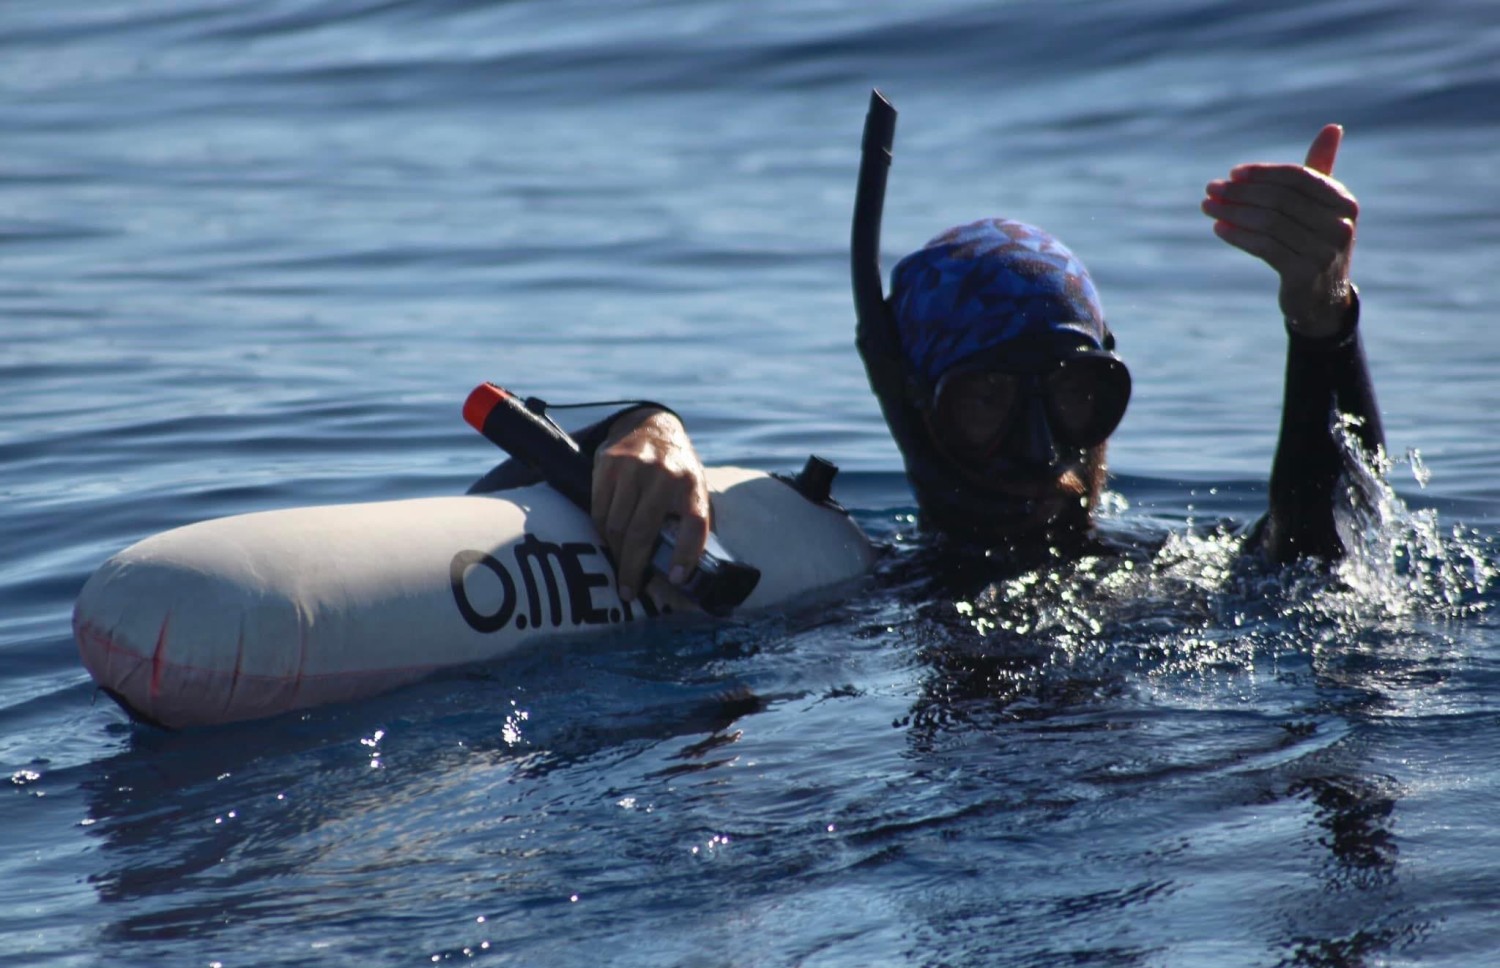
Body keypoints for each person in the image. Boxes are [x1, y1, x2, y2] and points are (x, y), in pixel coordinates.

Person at [475, 113, 1381, 603]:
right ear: (914, 407)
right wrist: (640, 429)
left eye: (1074, 395)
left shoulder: (1178, 577)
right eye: (985, 403)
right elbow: (483, 528)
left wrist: (1321, 323)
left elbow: (1331, 553)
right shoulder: (831, 575)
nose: (1040, 455)